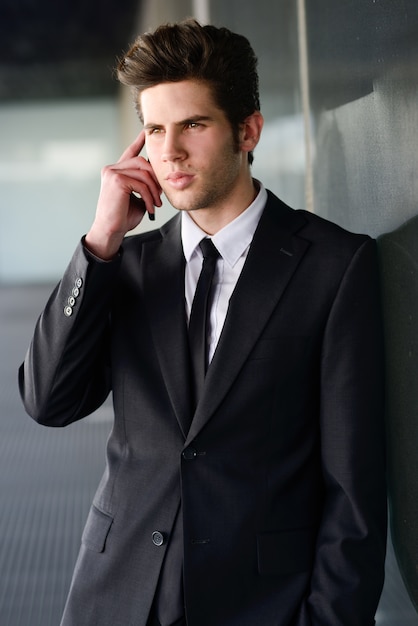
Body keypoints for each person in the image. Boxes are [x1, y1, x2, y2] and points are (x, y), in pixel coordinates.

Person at [19, 18, 387, 626]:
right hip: (116, 593)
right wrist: (101, 239)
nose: (169, 152)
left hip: (261, 603)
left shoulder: (333, 266)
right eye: (155, 130)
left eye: (193, 125)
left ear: (248, 130)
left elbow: (355, 488)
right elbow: (48, 400)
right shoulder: (124, 265)